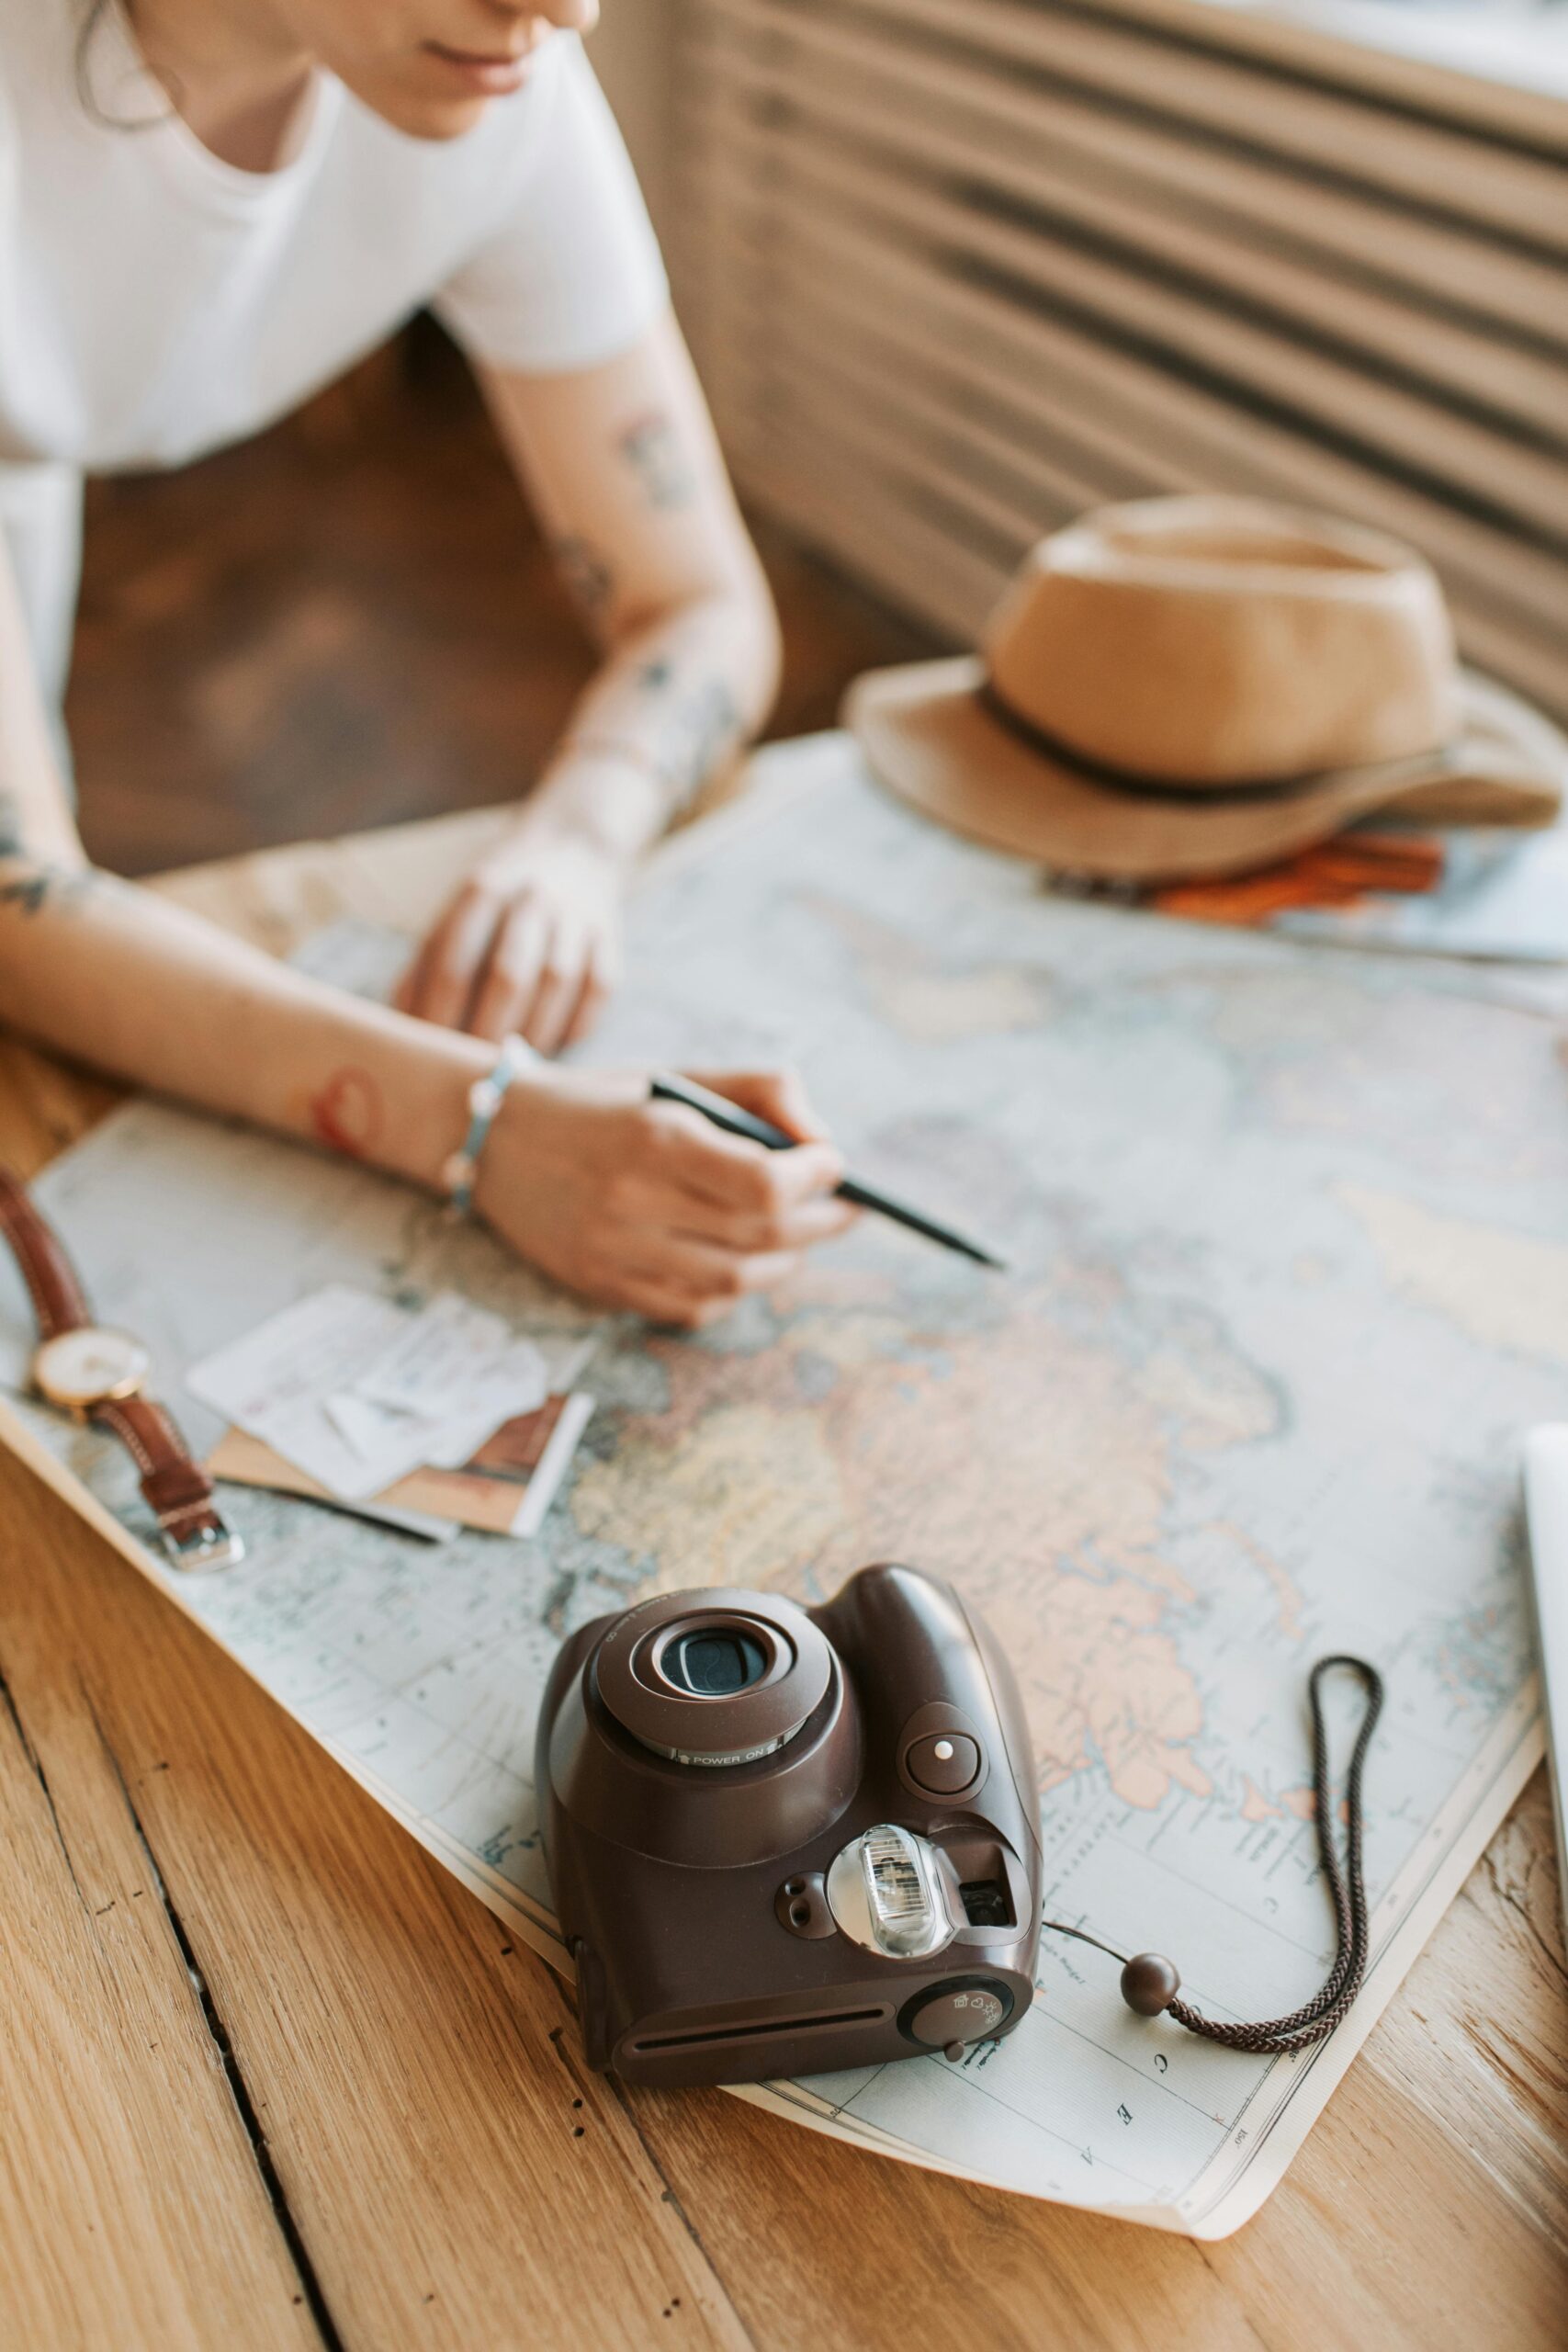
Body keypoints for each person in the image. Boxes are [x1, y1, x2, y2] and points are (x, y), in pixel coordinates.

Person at [0, 1, 855, 1324]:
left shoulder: (504, 87)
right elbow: (17, 904)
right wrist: (488, 1130)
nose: (566, 8)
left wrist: (578, 836)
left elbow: (698, 602)